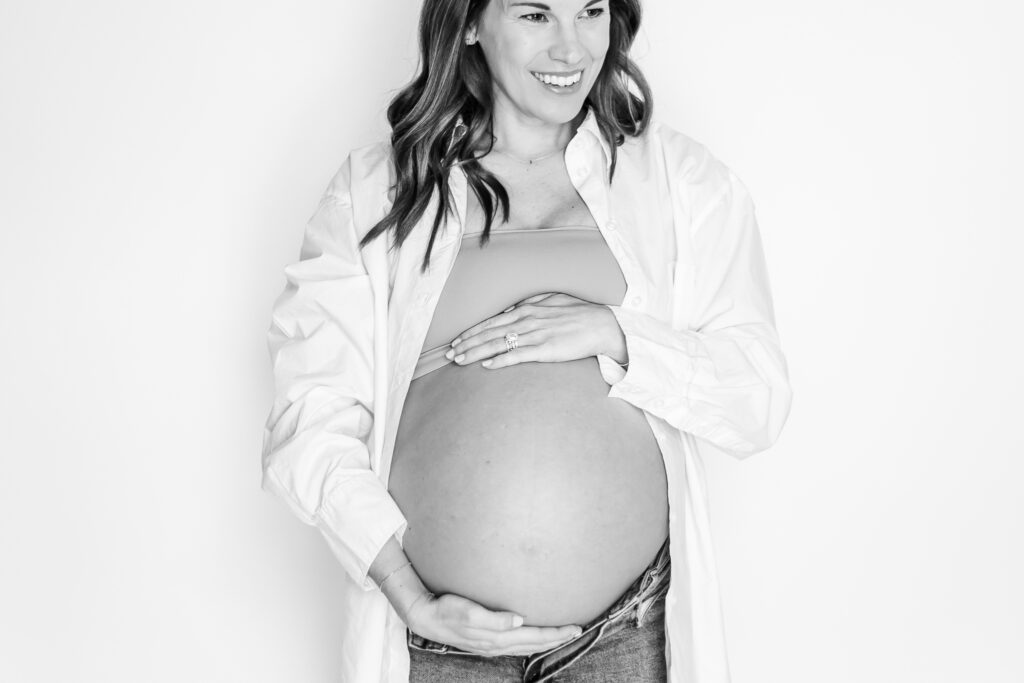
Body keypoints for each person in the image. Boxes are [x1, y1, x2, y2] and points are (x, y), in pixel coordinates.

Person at [261, 0, 793, 681]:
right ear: (473, 22)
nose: (571, 49)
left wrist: (614, 331)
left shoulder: (681, 184)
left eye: (591, 11)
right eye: (537, 15)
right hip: (444, 649)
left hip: (624, 641)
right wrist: (407, 594)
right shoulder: (377, 192)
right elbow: (311, 411)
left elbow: (759, 395)